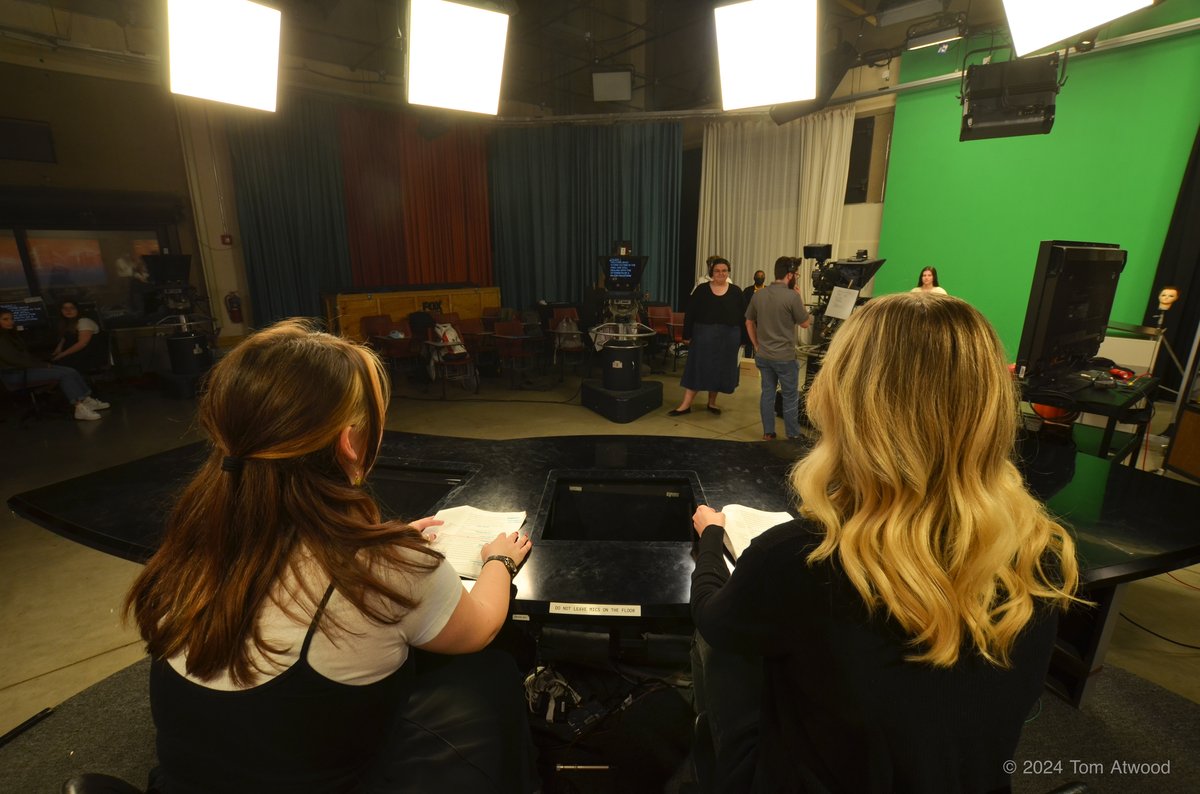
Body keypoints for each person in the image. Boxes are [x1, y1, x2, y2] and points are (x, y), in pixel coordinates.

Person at [124, 319, 538, 793]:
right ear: (348, 441)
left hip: (187, 782)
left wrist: (385, 543)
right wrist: (498, 561)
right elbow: (479, 627)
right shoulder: (387, 568)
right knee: (489, 672)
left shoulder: (192, 541)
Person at [690, 293, 1080, 793]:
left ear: (841, 400)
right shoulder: (1041, 551)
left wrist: (712, 538)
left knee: (722, 652)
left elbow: (713, 618)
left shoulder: (802, 558)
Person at [0, 308, 109, 421]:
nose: (10, 322)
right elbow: (14, 360)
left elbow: (25, 357)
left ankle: (86, 400)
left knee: (70, 370)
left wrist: (42, 363)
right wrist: (42, 365)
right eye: (5, 319)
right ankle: (79, 408)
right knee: (64, 375)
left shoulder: (10, 335)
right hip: (15, 374)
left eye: (11, 319)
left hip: (26, 369)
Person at [745, 257, 811, 441]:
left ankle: (768, 433)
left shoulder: (759, 295)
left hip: (764, 355)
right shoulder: (792, 296)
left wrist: (757, 345)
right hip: (785, 358)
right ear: (790, 275)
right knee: (790, 396)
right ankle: (793, 435)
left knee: (767, 393)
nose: (796, 277)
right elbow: (805, 323)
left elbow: (748, 321)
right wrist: (800, 298)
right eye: (796, 274)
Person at [668, 256, 743, 416]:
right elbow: (690, 313)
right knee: (697, 368)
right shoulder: (702, 289)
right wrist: (686, 334)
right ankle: (685, 405)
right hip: (703, 335)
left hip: (728, 337)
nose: (721, 273)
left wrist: (743, 340)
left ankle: (712, 402)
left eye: (724, 270)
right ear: (711, 272)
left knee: (719, 370)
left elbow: (743, 316)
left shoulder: (736, 291)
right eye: (717, 271)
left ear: (728, 272)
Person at [51, 300, 102, 369]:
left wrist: (62, 355)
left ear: (77, 310)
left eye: (72, 308)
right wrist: (59, 348)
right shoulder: (67, 322)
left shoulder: (84, 321)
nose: (68, 310)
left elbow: (82, 344)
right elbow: (65, 337)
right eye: (65, 308)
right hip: (74, 353)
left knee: (56, 367)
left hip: (87, 356)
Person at [741, 270, 767, 357]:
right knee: (749, 343)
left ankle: (759, 362)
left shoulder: (769, 291)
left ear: (764, 279)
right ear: (754, 278)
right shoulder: (747, 291)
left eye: (761, 277)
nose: (759, 279)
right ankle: (748, 361)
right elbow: (743, 306)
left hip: (763, 322)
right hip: (750, 321)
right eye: (758, 277)